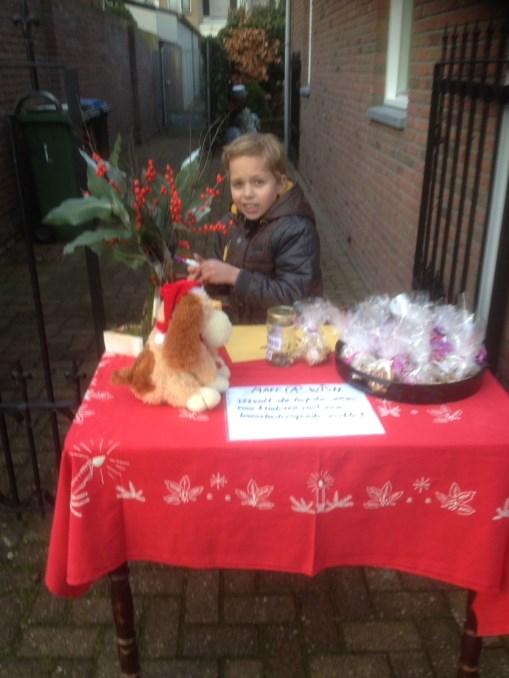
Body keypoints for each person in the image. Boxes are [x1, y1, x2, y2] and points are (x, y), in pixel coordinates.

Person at [189, 133, 322, 324]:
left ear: (280, 184)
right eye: (238, 184)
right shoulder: (228, 225)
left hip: (284, 339)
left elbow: (294, 297)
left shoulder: (297, 230)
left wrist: (234, 275)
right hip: (243, 331)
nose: (247, 194)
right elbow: (226, 287)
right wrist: (208, 276)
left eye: (258, 182)